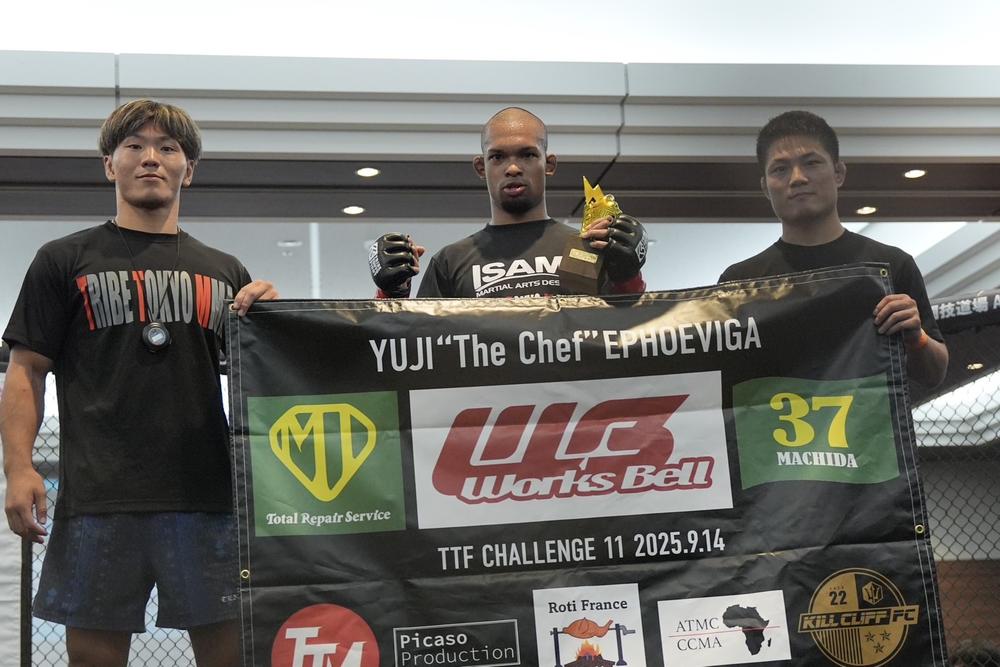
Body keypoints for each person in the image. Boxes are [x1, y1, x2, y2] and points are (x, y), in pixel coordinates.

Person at [0, 99, 277, 667]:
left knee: (230, 657)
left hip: (207, 499)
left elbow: (268, 376)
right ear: (110, 165)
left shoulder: (226, 272)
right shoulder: (62, 260)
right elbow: (26, 369)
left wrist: (274, 316)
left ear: (187, 170)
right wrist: (19, 468)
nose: (151, 157)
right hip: (97, 499)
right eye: (134, 146)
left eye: (167, 148)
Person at [719, 110, 948, 387]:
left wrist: (916, 338)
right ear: (765, 187)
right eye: (780, 169)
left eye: (811, 163)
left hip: (872, 416)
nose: (797, 178)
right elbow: (723, 382)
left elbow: (935, 374)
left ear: (838, 172)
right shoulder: (739, 283)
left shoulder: (891, 264)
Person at [368, 107, 648, 298]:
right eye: (498, 157)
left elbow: (627, 337)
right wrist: (391, 293)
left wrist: (628, 277)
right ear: (481, 167)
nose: (513, 168)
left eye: (527, 155)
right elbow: (416, 348)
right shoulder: (450, 262)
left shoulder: (590, 250)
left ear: (549, 164)